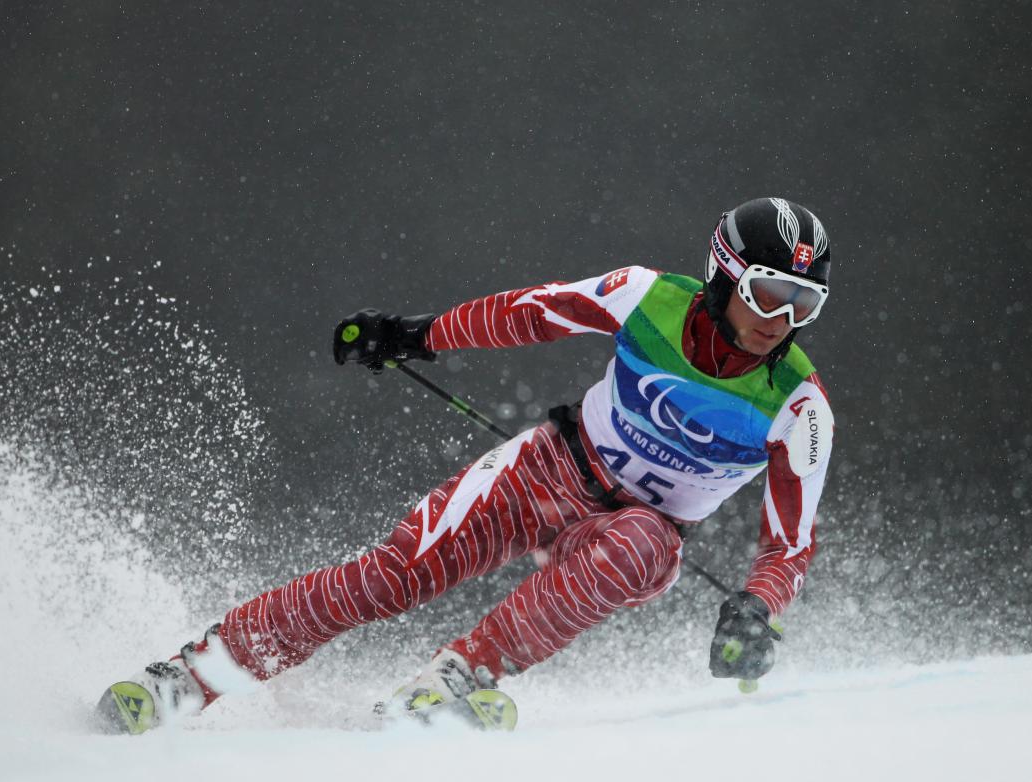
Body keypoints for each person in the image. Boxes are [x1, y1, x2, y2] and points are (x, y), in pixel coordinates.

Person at [96, 197, 835, 733]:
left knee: (639, 541)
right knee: (389, 577)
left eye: (805, 302)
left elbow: (789, 545)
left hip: (637, 536)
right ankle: (189, 677)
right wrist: (416, 335)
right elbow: (530, 311)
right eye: (770, 291)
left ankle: (458, 678)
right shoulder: (649, 297)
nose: (782, 317)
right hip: (548, 470)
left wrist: (758, 608)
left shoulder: (798, 404)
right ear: (725, 274)